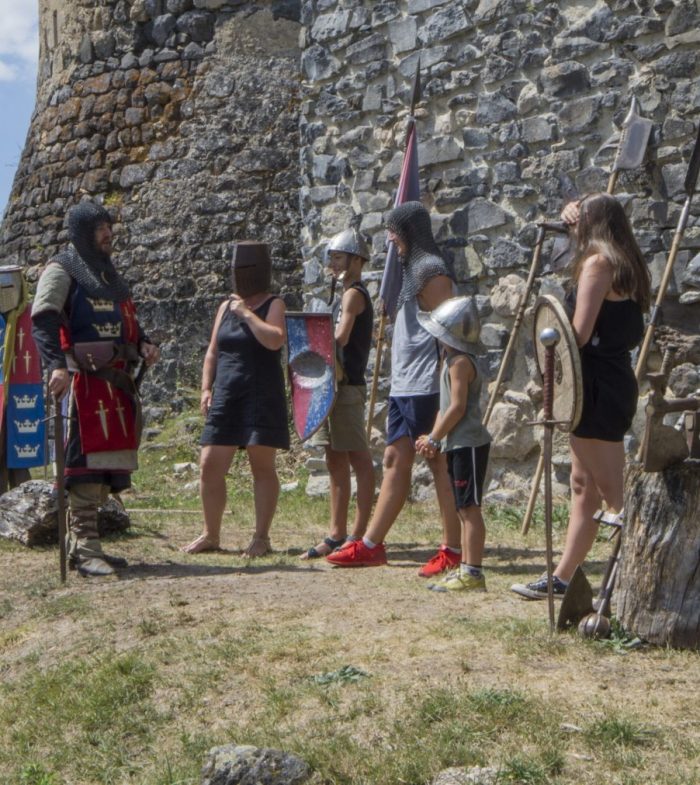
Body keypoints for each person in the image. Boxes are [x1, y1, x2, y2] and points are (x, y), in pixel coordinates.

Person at [511, 192, 650, 599]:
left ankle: (637, 583)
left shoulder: (598, 263)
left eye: (578, 222)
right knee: (582, 484)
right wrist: (571, 217)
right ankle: (563, 577)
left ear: (591, 225)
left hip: (596, 387)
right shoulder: (617, 260)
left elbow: (579, 335)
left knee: (614, 498)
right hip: (603, 382)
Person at [327, 200, 461, 575]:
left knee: (437, 462)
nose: (390, 240)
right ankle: (371, 545)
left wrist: (452, 383)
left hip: (426, 386)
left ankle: (452, 548)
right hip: (404, 385)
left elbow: (450, 331)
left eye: (394, 232)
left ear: (409, 232)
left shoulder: (432, 273)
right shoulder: (409, 274)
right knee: (393, 461)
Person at [31, 201, 160, 578]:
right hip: (84, 383)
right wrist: (56, 366)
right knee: (84, 469)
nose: (108, 233)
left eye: (109, 226)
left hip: (116, 382)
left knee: (106, 469)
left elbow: (123, 321)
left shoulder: (107, 274)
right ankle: (87, 550)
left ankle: (81, 546)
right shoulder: (61, 269)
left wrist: (144, 342)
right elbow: (44, 319)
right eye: (101, 227)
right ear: (83, 233)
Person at [182, 241, 289, 558]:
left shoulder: (274, 304)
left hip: (260, 392)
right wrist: (206, 388)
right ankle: (210, 534)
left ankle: (261, 538)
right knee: (209, 464)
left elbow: (275, 340)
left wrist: (247, 314)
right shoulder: (224, 307)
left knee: (262, 467)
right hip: (227, 393)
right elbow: (213, 352)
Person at [301, 228, 375, 559]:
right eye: (331, 257)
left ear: (357, 260)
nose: (333, 263)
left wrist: (312, 344)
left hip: (346, 386)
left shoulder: (353, 294)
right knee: (333, 458)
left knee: (357, 457)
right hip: (332, 384)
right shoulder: (341, 294)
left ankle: (359, 534)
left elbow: (341, 337)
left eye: (339, 257)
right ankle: (336, 533)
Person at [414, 296, 492, 592]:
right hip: (456, 444)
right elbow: (444, 406)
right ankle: (466, 569)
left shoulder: (460, 363)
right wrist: (433, 437)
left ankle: (473, 572)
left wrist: (435, 437)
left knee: (469, 508)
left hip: (468, 443)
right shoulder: (449, 360)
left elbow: (457, 407)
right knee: (462, 508)